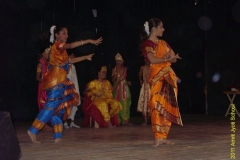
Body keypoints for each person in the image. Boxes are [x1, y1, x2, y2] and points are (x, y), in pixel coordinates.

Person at [27, 25, 103, 143]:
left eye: (67, 33)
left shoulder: (61, 50)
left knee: (59, 108)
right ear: (57, 35)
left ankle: (57, 135)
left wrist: (85, 57)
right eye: (63, 33)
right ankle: (33, 130)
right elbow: (72, 45)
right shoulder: (58, 45)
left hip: (60, 80)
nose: (66, 36)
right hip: (56, 81)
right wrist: (89, 41)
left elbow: (70, 61)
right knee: (52, 106)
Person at [141, 18, 183, 146]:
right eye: (161, 27)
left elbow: (174, 58)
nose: (163, 29)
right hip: (156, 76)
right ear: (154, 29)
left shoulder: (164, 43)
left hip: (168, 76)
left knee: (167, 104)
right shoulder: (147, 44)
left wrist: (170, 58)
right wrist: (166, 58)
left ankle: (163, 136)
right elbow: (152, 60)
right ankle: (157, 136)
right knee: (155, 103)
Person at [112, 53, 132, 125]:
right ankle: (118, 120)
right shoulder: (114, 69)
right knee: (117, 103)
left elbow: (125, 78)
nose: (118, 62)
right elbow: (113, 80)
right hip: (117, 88)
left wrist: (128, 82)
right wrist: (115, 74)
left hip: (124, 87)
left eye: (119, 61)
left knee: (126, 103)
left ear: (122, 62)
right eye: (117, 61)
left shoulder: (125, 69)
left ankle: (125, 120)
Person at [63, 53, 81, 129]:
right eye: (72, 57)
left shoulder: (73, 66)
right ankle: (65, 122)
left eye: (74, 57)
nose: (73, 58)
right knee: (67, 105)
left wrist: (76, 90)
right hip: (67, 88)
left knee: (75, 104)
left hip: (74, 88)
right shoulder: (64, 66)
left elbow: (75, 80)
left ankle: (72, 121)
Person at [137, 59, 151, 125]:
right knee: (144, 102)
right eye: (146, 60)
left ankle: (151, 118)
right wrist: (141, 82)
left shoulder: (153, 67)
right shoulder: (142, 68)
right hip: (145, 86)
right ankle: (145, 120)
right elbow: (139, 75)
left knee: (151, 102)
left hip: (151, 86)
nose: (147, 61)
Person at [36, 47, 50, 111]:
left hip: (49, 85)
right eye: (47, 53)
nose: (48, 55)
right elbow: (37, 78)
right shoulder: (40, 64)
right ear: (43, 54)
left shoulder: (48, 63)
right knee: (43, 103)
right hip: (43, 86)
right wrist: (45, 81)